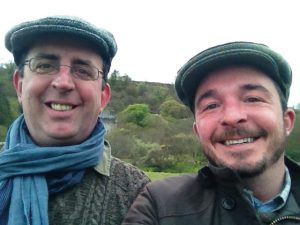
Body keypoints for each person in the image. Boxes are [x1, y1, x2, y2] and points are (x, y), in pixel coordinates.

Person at [122, 41, 300, 224]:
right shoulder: (159, 205)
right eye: (211, 105)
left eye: (253, 99)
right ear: (197, 131)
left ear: (287, 121)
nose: (232, 117)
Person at [0, 16, 150, 225]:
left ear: (103, 98)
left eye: (83, 71)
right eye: (44, 65)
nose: (63, 83)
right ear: (19, 85)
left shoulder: (139, 195)